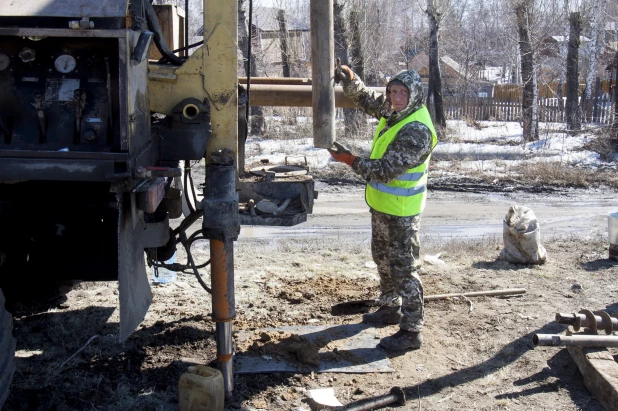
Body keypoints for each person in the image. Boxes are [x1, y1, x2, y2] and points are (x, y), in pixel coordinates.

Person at [328, 65, 438, 352]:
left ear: (414, 95)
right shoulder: (396, 112)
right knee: (382, 258)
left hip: (402, 211)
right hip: (382, 206)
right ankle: (390, 308)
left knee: (404, 270)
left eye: (403, 92)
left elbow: (385, 170)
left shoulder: (416, 129)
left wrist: (349, 160)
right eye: (393, 91)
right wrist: (352, 82)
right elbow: (369, 102)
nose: (396, 97)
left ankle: (412, 331)